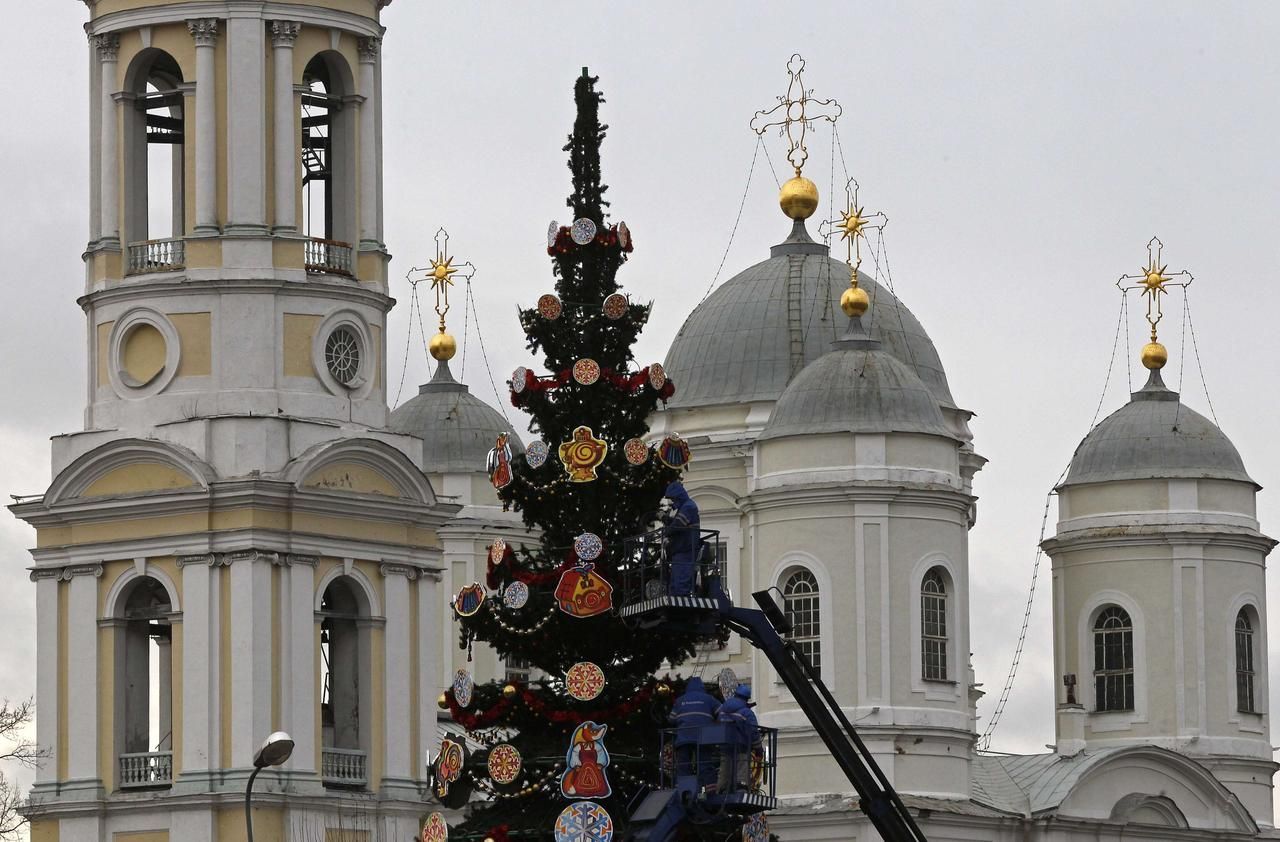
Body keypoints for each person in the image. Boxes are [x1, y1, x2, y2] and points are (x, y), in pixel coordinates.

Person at [670, 677, 718, 785]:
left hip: (684, 738)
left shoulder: (680, 700)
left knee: (684, 765)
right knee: (704, 763)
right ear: (702, 687)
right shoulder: (709, 699)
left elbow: (672, 719)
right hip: (704, 737)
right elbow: (721, 712)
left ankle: (684, 788)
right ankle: (708, 788)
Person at [716, 684, 758, 794]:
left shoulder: (722, 709)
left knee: (725, 766)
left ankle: (721, 788)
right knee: (742, 763)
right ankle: (741, 787)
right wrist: (759, 749)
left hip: (724, 744)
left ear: (735, 695)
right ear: (746, 698)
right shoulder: (747, 712)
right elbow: (753, 732)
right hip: (741, 745)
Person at [663, 480, 700, 595]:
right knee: (675, 585)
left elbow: (677, 525)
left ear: (678, 496)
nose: (672, 502)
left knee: (680, 586)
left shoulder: (688, 507)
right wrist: (665, 518)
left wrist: (665, 532)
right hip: (681, 551)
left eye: (673, 499)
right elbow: (676, 523)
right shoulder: (685, 507)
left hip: (685, 550)